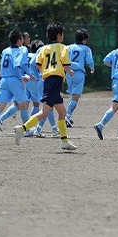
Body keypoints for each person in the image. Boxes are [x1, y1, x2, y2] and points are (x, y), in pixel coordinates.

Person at [14, 22, 77, 151]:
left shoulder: (44, 49)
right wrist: (70, 71)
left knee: (62, 112)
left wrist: (46, 71)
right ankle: (22, 128)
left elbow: (37, 65)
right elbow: (65, 64)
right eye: (62, 34)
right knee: (44, 112)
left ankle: (64, 141)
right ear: (59, 35)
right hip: (55, 80)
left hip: (49, 80)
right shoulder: (63, 47)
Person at [0, 30, 30, 137]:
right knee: (24, 105)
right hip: (14, 79)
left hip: (3, 80)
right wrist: (22, 77)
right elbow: (16, 67)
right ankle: (27, 130)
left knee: (0, 106)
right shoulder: (19, 51)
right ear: (19, 40)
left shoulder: (5, 51)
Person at [65, 29, 95, 127]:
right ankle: (67, 116)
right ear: (84, 40)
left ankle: (67, 116)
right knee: (75, 97)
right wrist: (92, 68)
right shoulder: (86, 49)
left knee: (72, 96)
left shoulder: (68, 47)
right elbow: (89, 60)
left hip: (68, 72)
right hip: (78, 73)